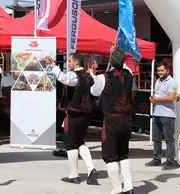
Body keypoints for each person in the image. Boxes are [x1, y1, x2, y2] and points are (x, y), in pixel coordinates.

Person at [46, 53, 99, 185]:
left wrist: (53, 66)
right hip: (87, 114)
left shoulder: (74, 75)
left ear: (76, 63)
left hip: (74, 113)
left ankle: (73, 175)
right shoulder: (90, 77)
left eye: (70, 61)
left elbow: (63, 78)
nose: (68, 63)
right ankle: (91, 169)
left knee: (70, 143)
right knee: (79, 141)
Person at [89, 46, 135, 194]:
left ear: (110, 60)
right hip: (126, 119)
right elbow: (125, 66)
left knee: (110, 156)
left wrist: (93, 76)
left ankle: (117, 189)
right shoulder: (129, 75)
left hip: (111, 120)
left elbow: (94, 92)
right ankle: (129, 187)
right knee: (123, 155)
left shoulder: (104, 77)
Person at [147, 61, 177, 169]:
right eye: (158, 71)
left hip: (168, 114)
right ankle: (157, 159)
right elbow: (157, 94)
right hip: (157, 112)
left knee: (169, 139)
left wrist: (157, 99)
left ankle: (170, 161)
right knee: (156, 138)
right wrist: (152, 98)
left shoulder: (172, 82)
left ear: (167, 70)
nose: (160, 72)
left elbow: (171, 98)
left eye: (162, 70)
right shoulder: (158, 81)